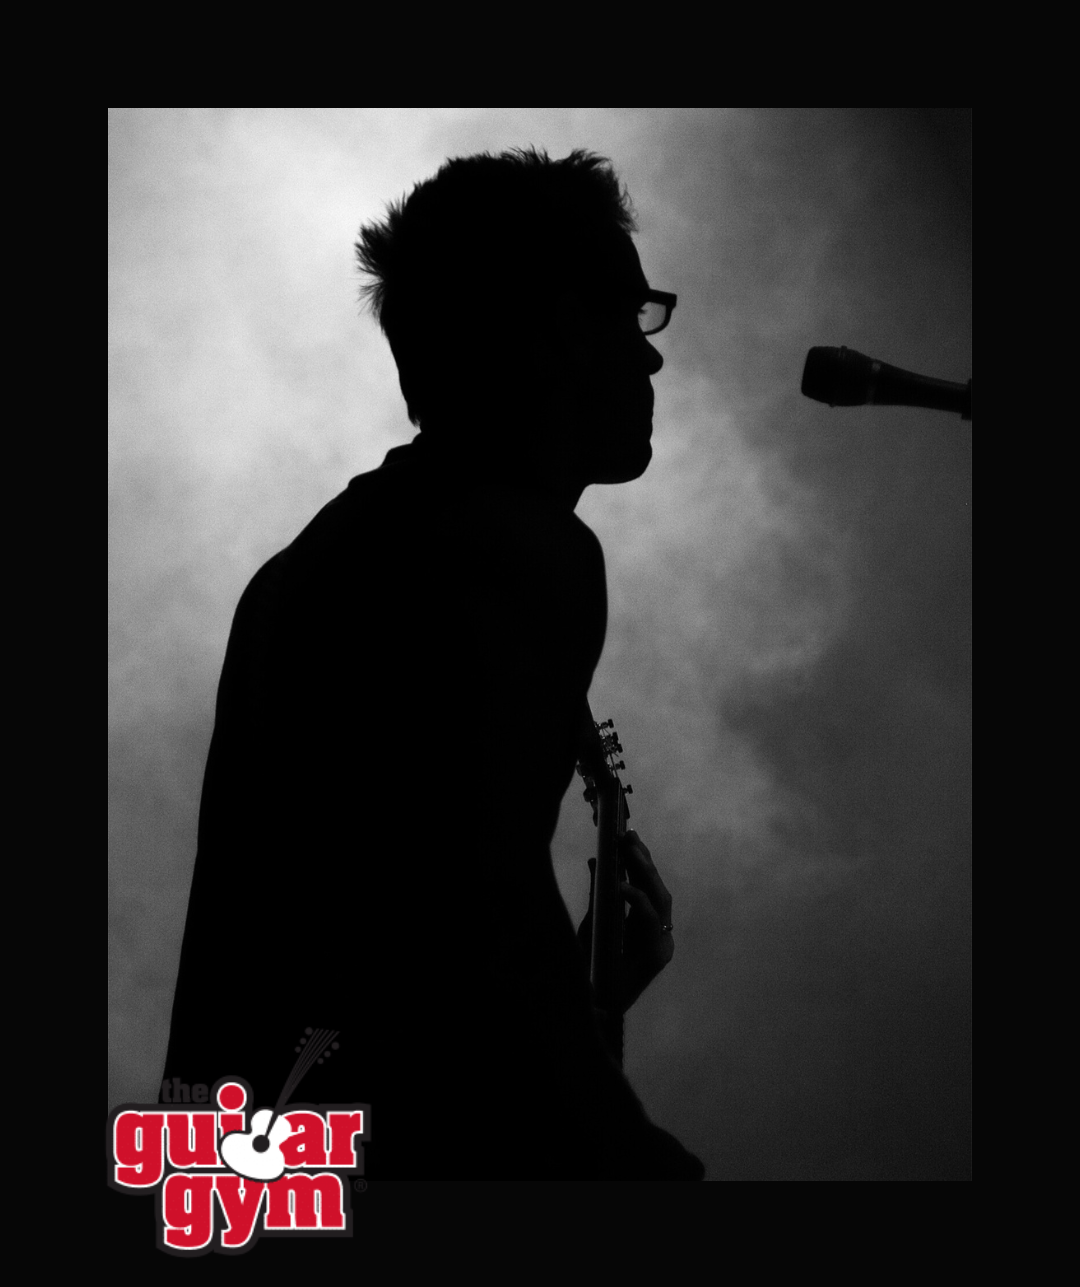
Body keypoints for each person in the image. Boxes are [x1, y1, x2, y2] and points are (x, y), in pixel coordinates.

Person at [161, 148, 704, 1181]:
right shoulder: (513, 548)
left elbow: (405, 936)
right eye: (627, 315)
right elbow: (488, 925)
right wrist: (635, 1164)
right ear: (553, 327)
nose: (650, 360)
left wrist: (584, 997)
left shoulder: (305, 572)